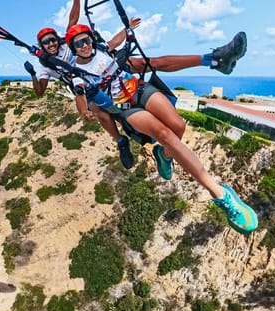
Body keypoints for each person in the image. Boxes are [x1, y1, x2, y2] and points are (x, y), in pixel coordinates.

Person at [66, 24, 258, 235]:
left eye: (86, 40)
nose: (84, 45)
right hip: (125, 107)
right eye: (78, 43)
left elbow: (116, 41)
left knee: (178, 126)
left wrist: (127, 28)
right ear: (73, 48)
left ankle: (163, 155)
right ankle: (221, 195)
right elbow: (80, 95)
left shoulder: (102, 49)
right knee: (165, 135)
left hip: (139, 90)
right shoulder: (77, 72)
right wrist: (84, 111)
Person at [25, 0, 247, 170]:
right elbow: (41, 91)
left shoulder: (71, 44)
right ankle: (121, 141)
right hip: (88, 82)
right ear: (41, 46)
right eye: (46, 43)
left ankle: (214, 59)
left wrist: (126, 29)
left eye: (53, 39)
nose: (51, 43)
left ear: (59, 39)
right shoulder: (46, 64)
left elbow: (84, 28)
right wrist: (35, 74)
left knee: (147, 62)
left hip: (103, 65)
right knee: (99, 111)